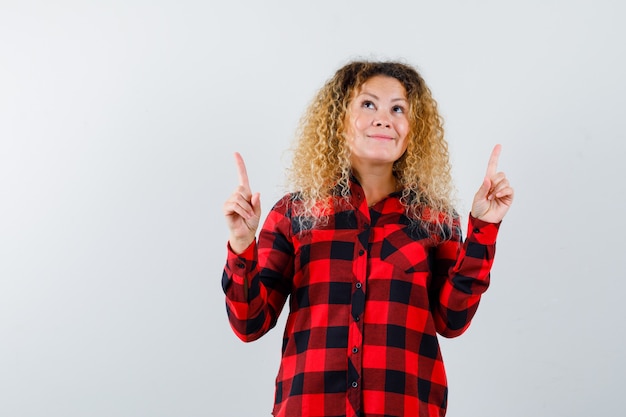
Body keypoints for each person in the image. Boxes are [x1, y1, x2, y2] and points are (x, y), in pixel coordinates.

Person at [221, 61, 514, 417]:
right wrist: (240, 244)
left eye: (398, 109)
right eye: (368, 104)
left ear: (413, 130)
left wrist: (484, 227)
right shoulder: (294, 214)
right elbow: (249, 323)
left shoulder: (435, 219)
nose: (383, 118)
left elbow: (453, 321)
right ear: (339, 120)